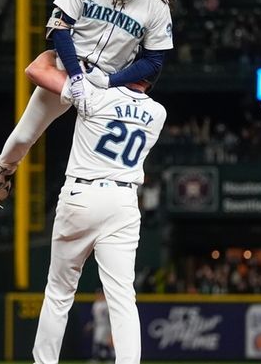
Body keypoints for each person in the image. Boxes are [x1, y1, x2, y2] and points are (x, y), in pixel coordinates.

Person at [0, 0, 174, 226]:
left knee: (103, 158)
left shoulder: (156, 3)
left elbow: (154, 61)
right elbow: (59, 28)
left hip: (110, 84)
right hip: (70, 68)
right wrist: (76, 77)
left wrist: (110, 82)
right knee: (24, 136)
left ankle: (110, 216)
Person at [24, 49, 166, 364]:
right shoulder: (158, 113)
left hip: (82, 195)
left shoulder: (96, 94)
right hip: (123, 201)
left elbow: (35, 70)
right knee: (122, 299)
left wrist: (67, 53)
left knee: (59, 292)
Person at [88, 288, 114, 363]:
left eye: (100, 294)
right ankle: (98, 358)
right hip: (98, 325)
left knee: (108, 342)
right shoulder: (95, 304)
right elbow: (95, 317)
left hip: (106, 325)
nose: (98, 295)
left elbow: (110, 316)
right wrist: (91, 324)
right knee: (98, 341)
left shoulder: (106, 304)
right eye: (97, 294)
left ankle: (111, 358)